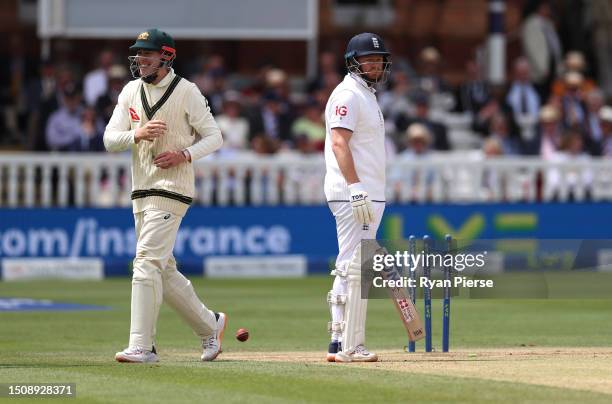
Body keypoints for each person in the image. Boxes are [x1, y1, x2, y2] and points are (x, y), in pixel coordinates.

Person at [103, 28, 226, 363]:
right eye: (138, 53)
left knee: (145, 263)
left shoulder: (186, 91)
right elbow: (110, 139)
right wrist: (137, 134)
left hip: (172, 189)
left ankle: (142, 346)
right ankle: (210, 325)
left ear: (166, 56)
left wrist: (184, 154)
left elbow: (214, 137)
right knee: (163, 269)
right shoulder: (130, 91)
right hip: (140, 190)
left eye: (147, 53)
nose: (140, 59)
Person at [324, 32, 391, 363]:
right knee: (354, 266)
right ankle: (350, 344)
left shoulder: (366, 94)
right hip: (355, 193)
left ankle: (339, 342)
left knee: (350, 264)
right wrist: (355, 187)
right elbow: (339, 142)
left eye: (379, 59)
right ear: (353, 62)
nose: (376, 63)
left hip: (366, 192)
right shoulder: (348, 94)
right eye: (369, 59)